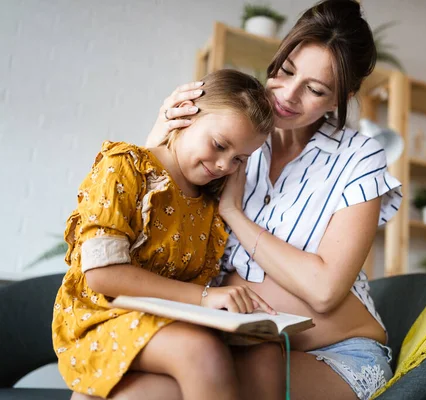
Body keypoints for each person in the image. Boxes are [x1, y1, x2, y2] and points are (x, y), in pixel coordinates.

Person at [147, 1, 404, 399]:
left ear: (343, 97)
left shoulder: (357, 156)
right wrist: (159, 144)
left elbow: (323, 290)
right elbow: (155, 228)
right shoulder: (229, 128)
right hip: (232, 340)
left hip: (333, 353)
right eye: (284, 71)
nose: (287, 95)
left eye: (315, 90)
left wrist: (234, 213)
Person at [52, 69, 283, 400]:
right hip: (102, 317)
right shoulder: (124, 166)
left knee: (265, 350)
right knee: (200, 352)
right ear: (186, 114)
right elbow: (102, 275)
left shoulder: (208, 206)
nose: (223, 166)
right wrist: (206, 297)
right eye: (219, 145)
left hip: (167, 321)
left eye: (239, 160)